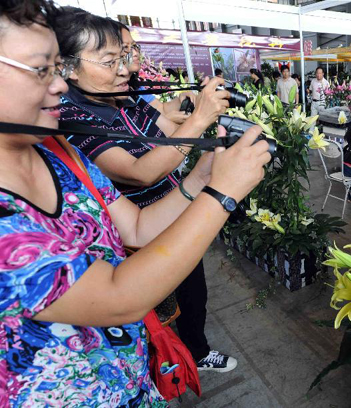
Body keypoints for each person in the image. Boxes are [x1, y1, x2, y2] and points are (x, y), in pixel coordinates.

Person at [0, 1, 270, 406]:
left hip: (132, 381)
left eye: (56, 67)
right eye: (42, 69)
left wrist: (201, 177)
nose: (58, 86)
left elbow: (138, 228)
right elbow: (117, 299)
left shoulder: (56, 151)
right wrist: (222, 195)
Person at [55, 10, 238, 372]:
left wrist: (200, 167)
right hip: (142, 234)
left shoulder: (117, 97)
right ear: (67, 69)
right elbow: (141, 173)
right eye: (113, 59)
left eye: (127, 55)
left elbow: (161, 128)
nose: (127, 68)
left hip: (163, 214)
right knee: (162, 309)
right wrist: (199, 120)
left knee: (193, 292)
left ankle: (193, 353)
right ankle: (174, 362)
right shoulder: (71, 115)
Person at [119, 22, 191, 124]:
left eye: (134, 46)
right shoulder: (114, 94)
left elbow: (160, 108)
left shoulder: (135, 87)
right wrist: (166, 121)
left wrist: (180, 100)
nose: (135, 53)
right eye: (125, 48)